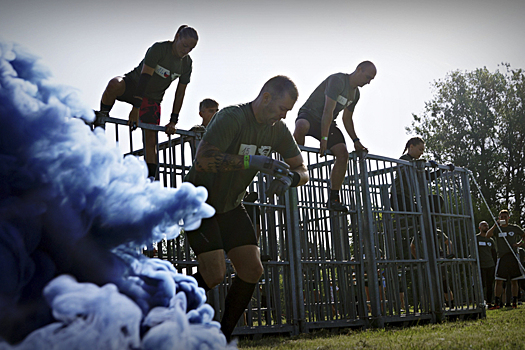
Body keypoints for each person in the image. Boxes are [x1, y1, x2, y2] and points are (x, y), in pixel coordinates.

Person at [183, 75, 309, 342]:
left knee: (252, 270)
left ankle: (221, 339)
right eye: (281, 109)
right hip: (198, 201)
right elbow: (203, 160)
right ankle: (161, 301)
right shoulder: (231, 117)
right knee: (214, 274)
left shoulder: (277, 130)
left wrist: (290, 178)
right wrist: (253, 161)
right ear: (266, 97)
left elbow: (302, 168)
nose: (283, 116)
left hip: (231, 206)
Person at [98, 25, 198, 179]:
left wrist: (173, 121)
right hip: (134, 85)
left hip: (152, 99)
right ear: (177, 37)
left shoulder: (187, 64)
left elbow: (180, 93)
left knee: (151, 141)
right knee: (114, 84)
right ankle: (101, 119)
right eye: (185, 46)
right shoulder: (159, 49)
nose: (186, 51)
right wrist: (136, 108)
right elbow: (144, 78)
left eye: (190, 49)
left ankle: (151, 180)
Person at [293, 61, 376, 212]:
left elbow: (347, 118)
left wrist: (356, 141)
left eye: (372, 80)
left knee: (343, 153)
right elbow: (327, 110)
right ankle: (295, 169)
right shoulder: (337, 80)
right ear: (359, 69)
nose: (368, 82)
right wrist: (324, 139)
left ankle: (333, 198)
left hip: (329, 122)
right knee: (301, 126)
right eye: (368, 77)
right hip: (310, 114)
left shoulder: (355, 94)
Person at [487, 209, 525, 309]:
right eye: (501, 217)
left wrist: (519, 244)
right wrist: (495, 225)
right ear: (499, 218)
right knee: (498, 280)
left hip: (513, 255)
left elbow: (524, 235)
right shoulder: (497, 228)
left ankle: (515, 301)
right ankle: (497, 302)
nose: (504, 219)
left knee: (514, 280)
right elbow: (487, 235)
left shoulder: (514, 228)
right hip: (502, 256)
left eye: (505, 217)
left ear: (508, 217)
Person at [476, 221, 497, 308]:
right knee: (481, 284)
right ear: (480, 228)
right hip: (480, 265)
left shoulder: (490, 240)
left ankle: (489, 302)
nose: (486, 227)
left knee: (490, 284)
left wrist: (495, 264)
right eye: (484, 225)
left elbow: (494, 253)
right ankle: (480, 301)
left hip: (490, 265)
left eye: (487, 225)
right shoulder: (476, 238)